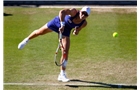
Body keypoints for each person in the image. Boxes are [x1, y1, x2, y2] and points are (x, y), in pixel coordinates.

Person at [18, 6, 91, 82]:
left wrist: (76, 32)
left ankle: (62, 74)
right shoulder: (73, 12)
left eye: (86, 15)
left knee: (65, 52)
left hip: (65, 31)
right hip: (57, 22)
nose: (83, 15)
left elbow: (77, 31)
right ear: (80, 11)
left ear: (87, 16)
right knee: (39, 32)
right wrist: (62, 24)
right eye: (83, 13)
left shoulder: (84, 23)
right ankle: (27, 40)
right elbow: (62, 12)